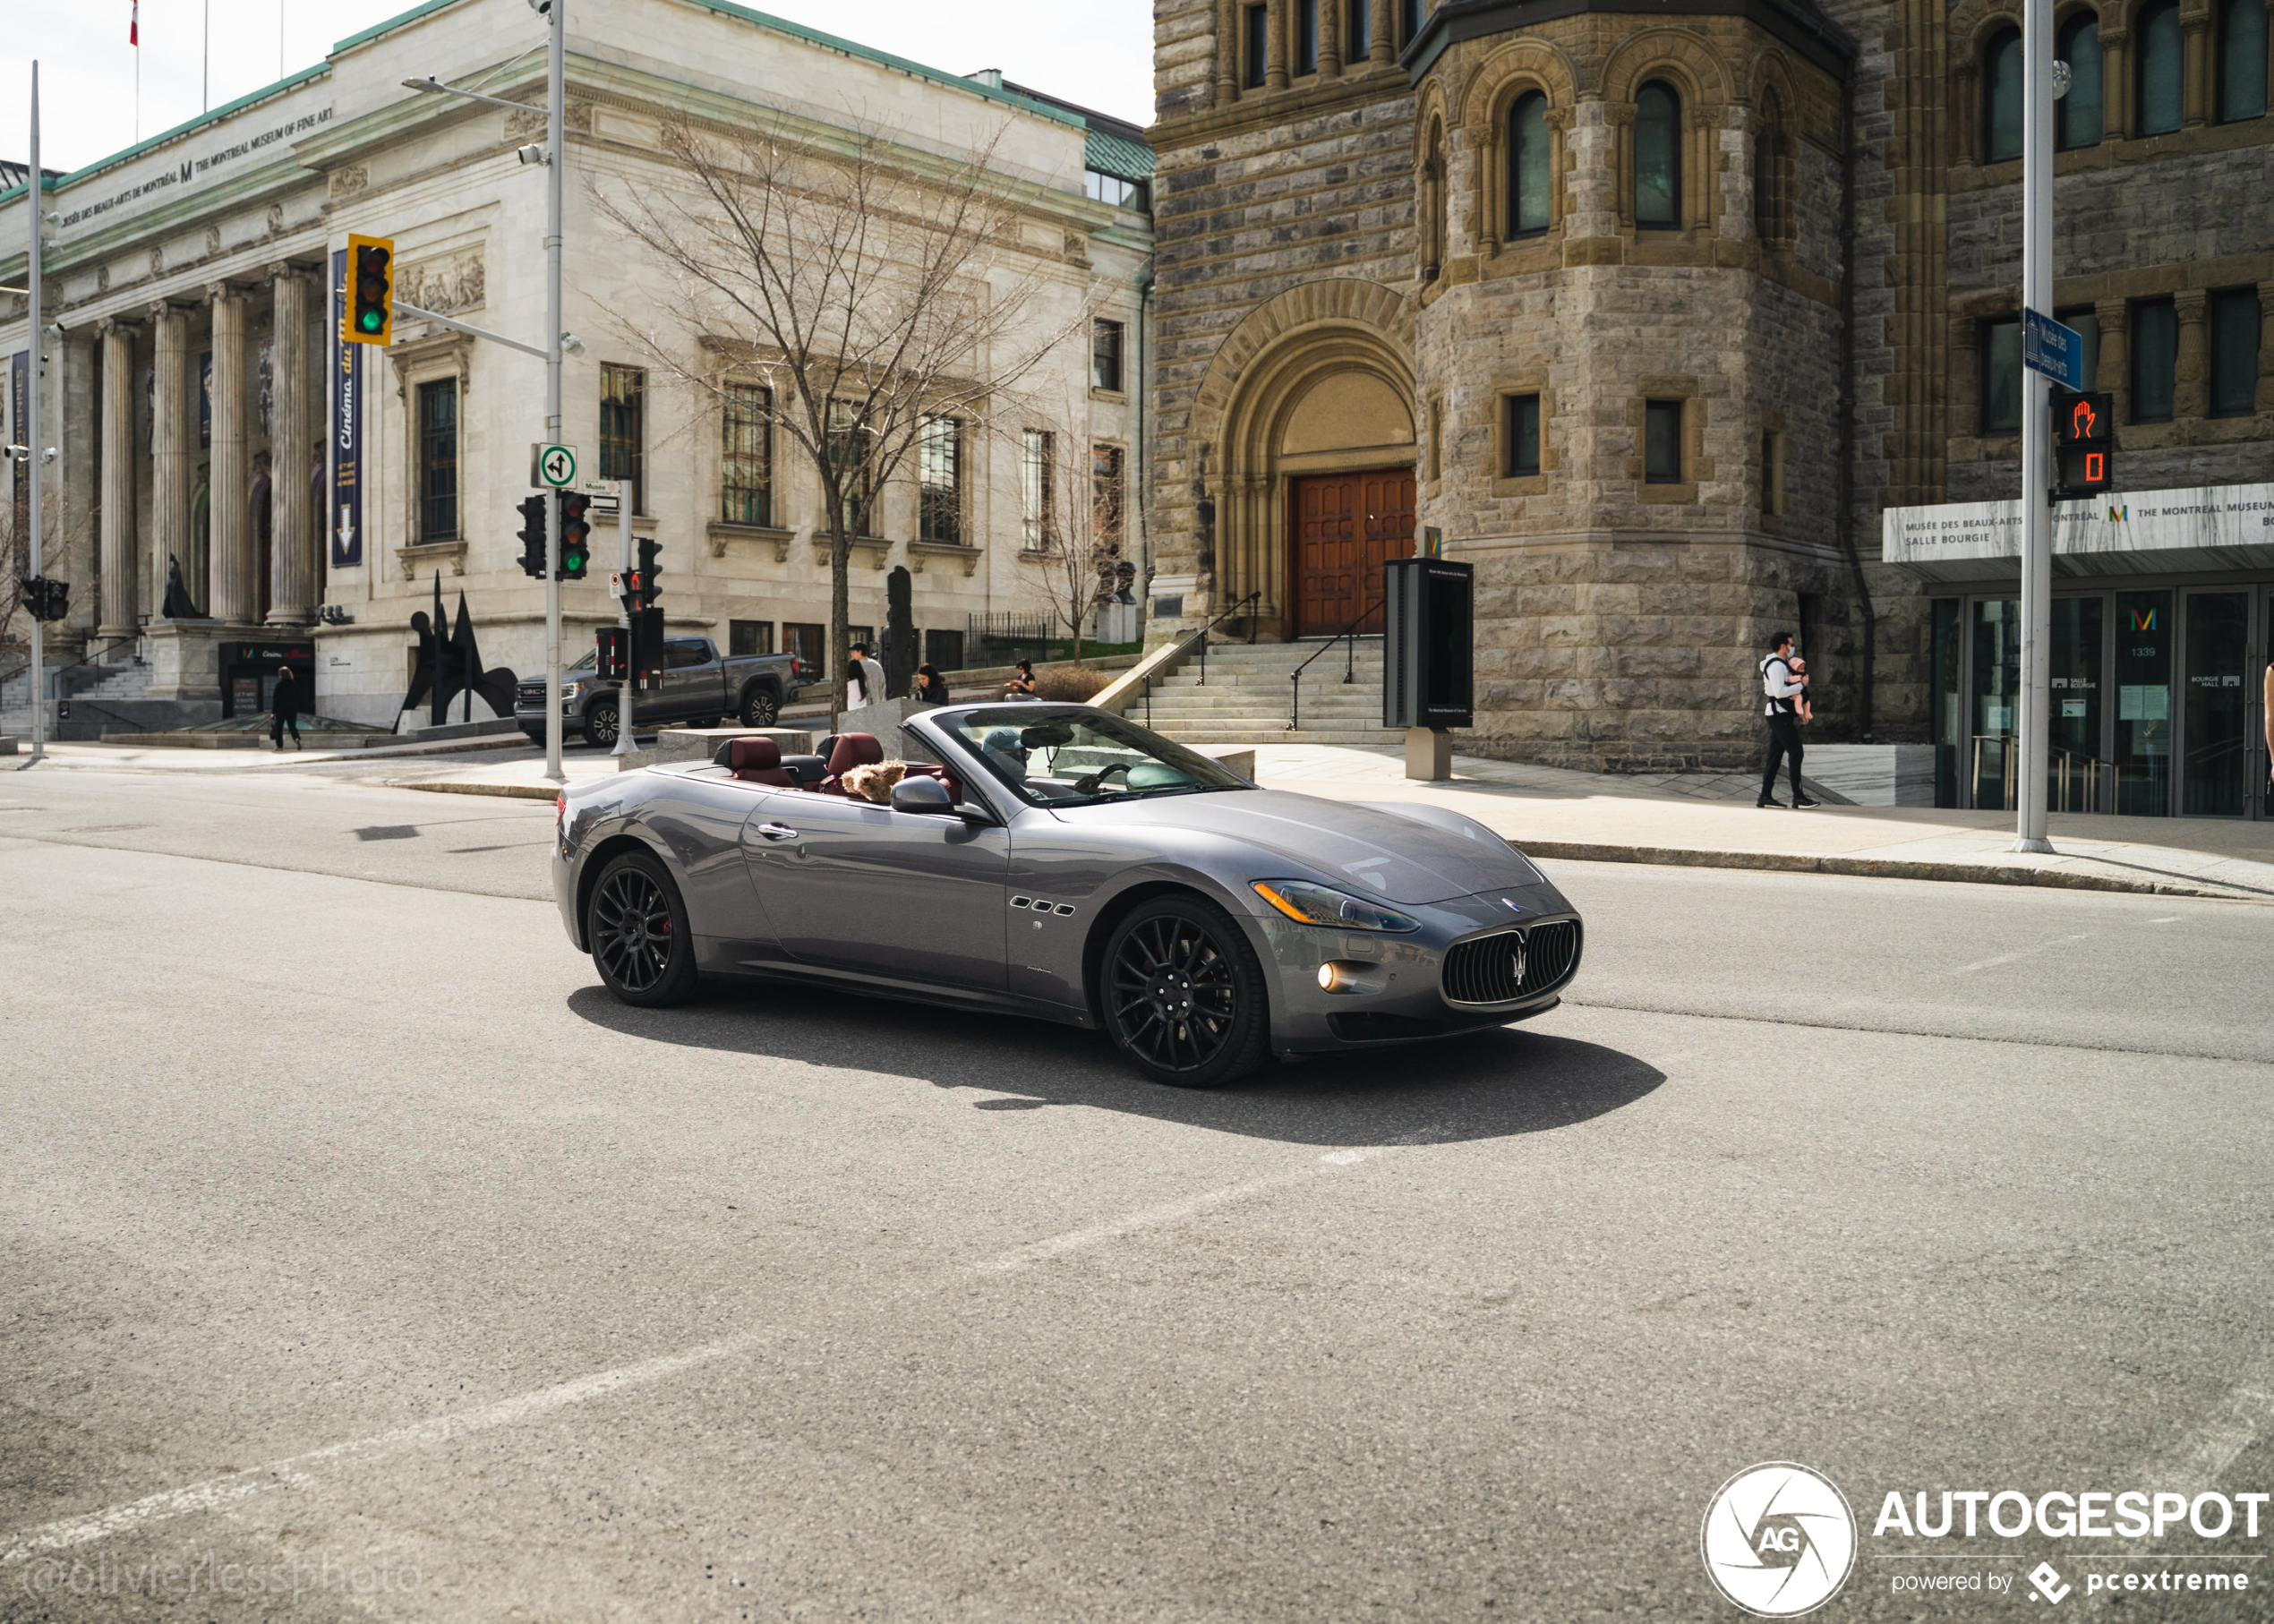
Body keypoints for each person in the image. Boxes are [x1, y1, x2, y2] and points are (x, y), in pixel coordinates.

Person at [1757, 632, 1817, 808]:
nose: (1792, 648)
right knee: (1796, 751)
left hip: (1779, 714)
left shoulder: (1779, 664)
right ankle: (1798, 797)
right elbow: (1779, 692)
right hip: (1778, 714)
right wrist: (1801, 686)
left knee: (1775, 756)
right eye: (1790, 645)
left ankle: (1765, 796)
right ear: (1783, 646)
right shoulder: (1776, 665)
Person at [270, 664, 303, 751]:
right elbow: (299, 696)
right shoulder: (294, 684)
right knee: (292, 726)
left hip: (281, 709)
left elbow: (276, 699)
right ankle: (296, 738)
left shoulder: (279, 685)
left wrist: (273, 712)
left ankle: (280, 746)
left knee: (279, 728)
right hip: (292, 709)